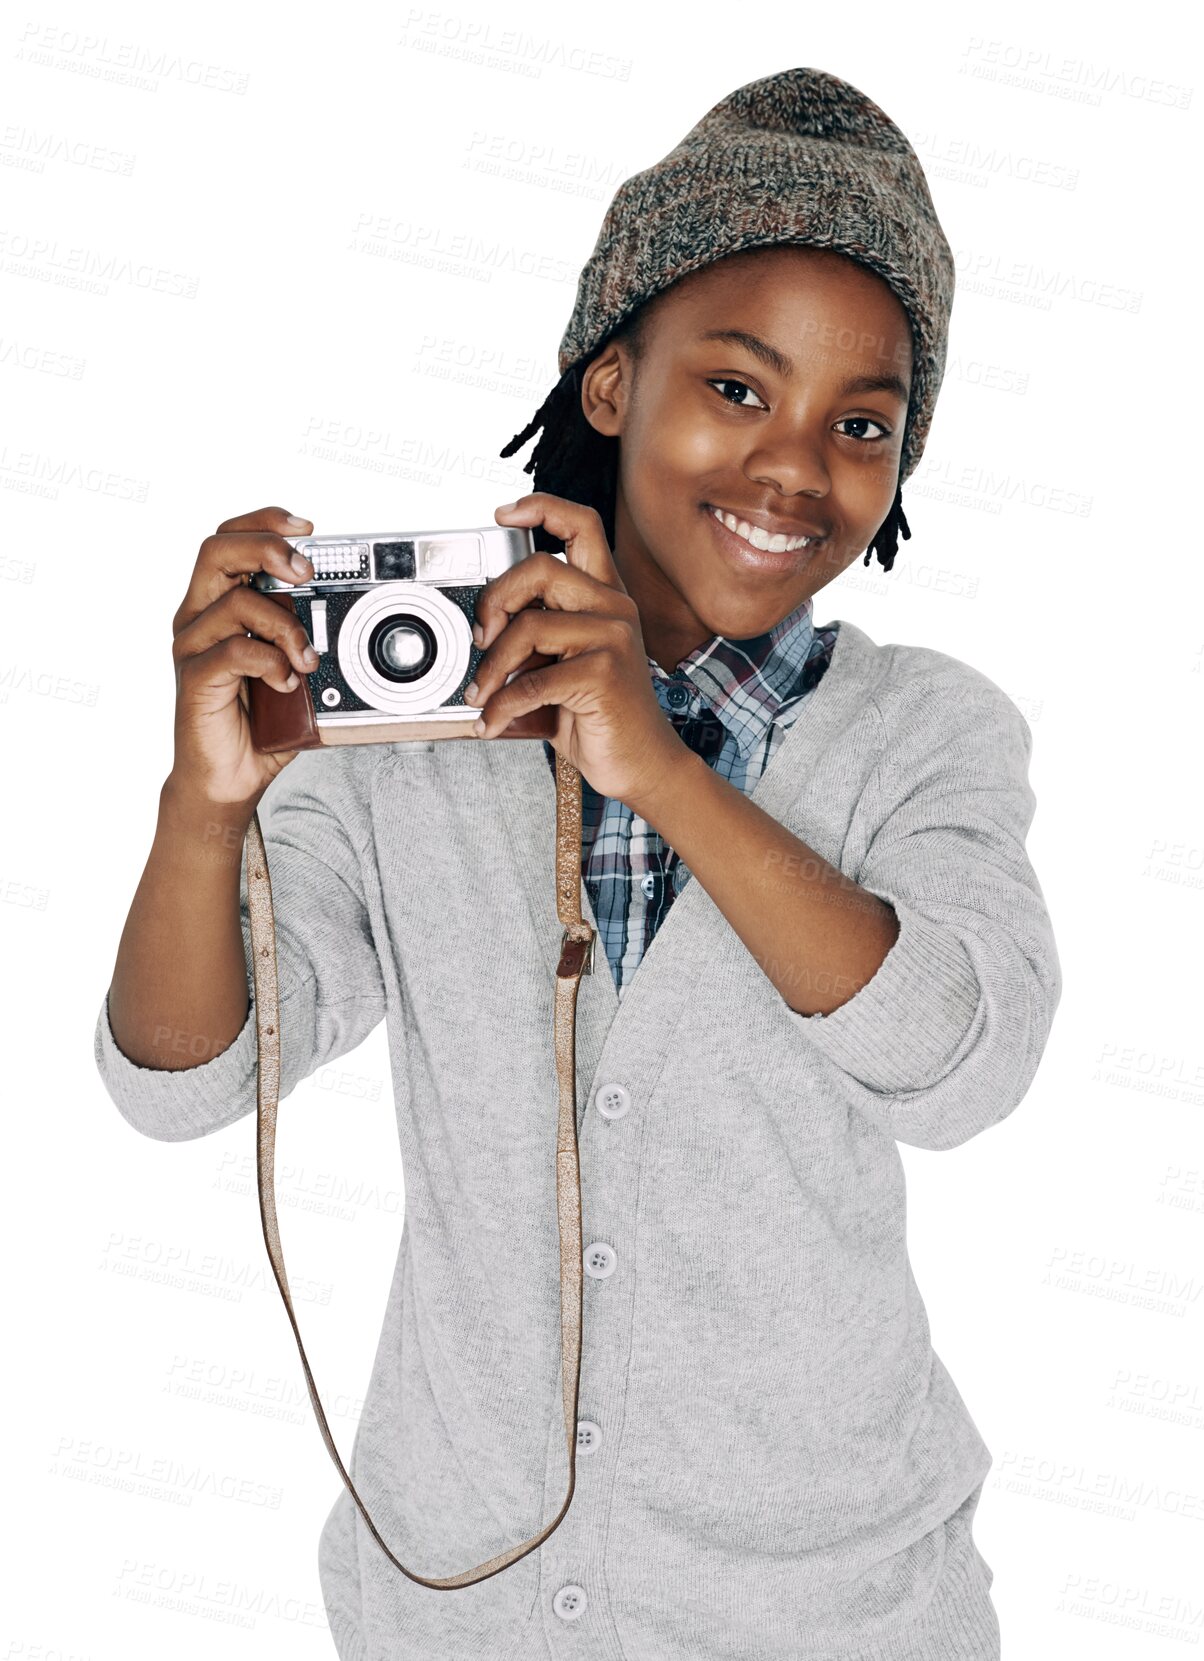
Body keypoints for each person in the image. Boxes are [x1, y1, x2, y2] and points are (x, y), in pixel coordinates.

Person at [95, 67, 1062, 1660]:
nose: (792, 467)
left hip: (826, 1614)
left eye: (862, 424)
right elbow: (182, 1081)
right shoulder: (410, 719)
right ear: (609, 382)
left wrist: (659, 769)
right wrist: (201, 808)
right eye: (736, 388)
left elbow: (960, 1066)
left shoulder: (929, 734)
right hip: (459, 1604)